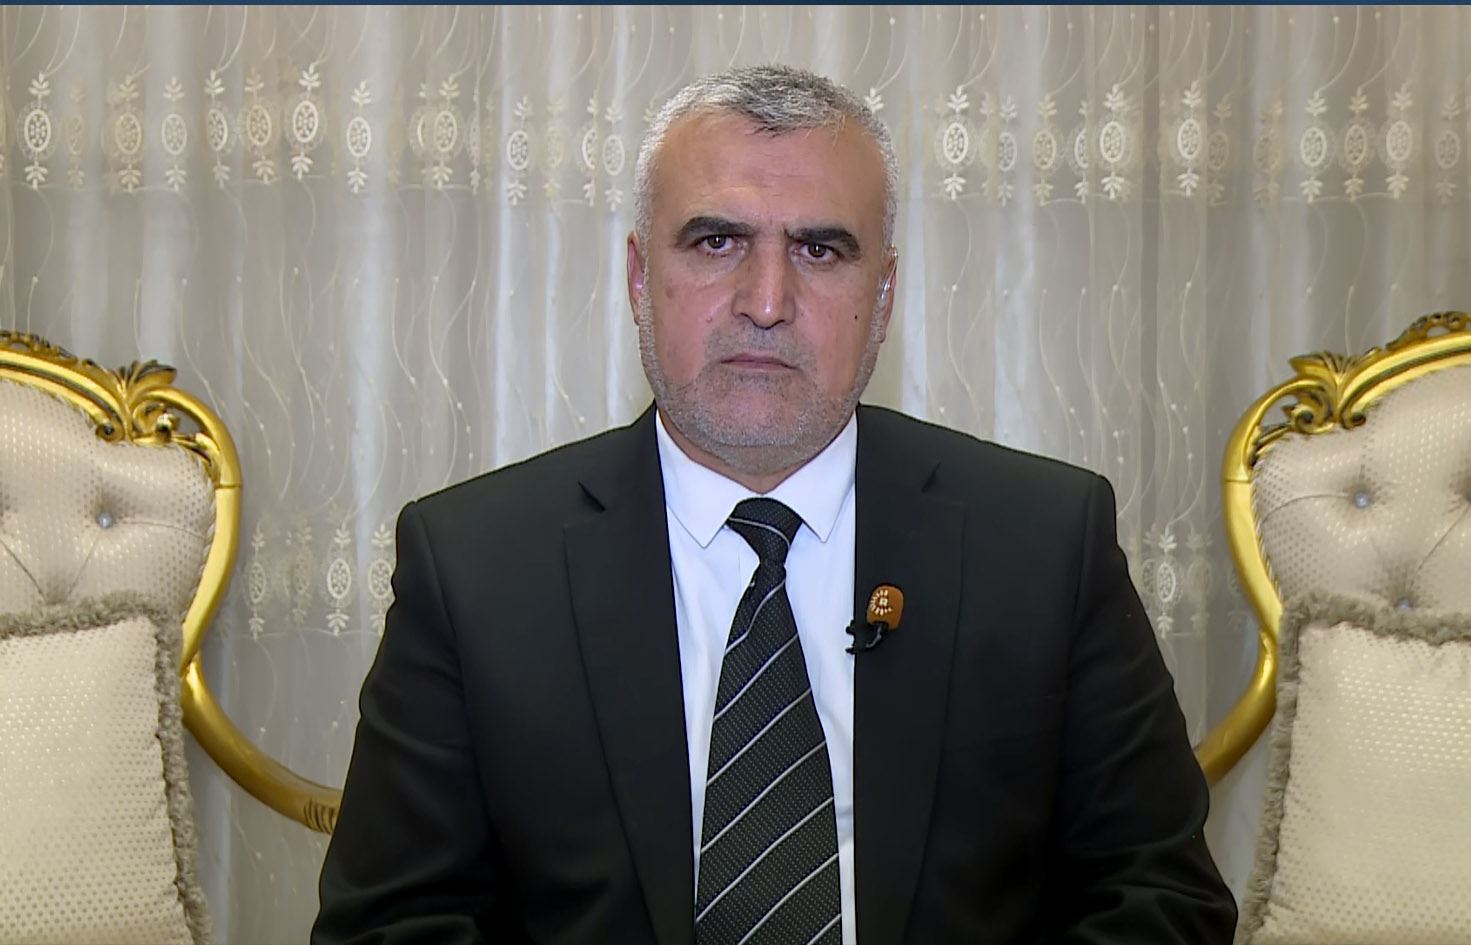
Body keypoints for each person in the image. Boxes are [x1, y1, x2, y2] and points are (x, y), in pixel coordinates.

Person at [313, 65, 1236, 945]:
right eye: (716, 242)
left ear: (884, 296)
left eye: (819, 249)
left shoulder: (1044, 544)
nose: (766, 301)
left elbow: (1161, 896)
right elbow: (390, 924)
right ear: (639, 279)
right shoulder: (474, 568)